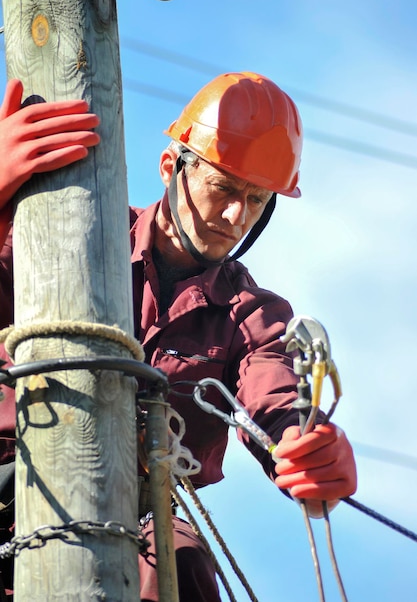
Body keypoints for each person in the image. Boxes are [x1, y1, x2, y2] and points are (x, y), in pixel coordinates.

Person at [0, 72, 357, 601]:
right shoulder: (68, 229)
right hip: (13, 472)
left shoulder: (251, 316)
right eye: (225, 188)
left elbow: (275, 397)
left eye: (257, 200)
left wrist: (305, 446)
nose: (237, 215)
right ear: (173, 167)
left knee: (179, 567)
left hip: (133, 514)